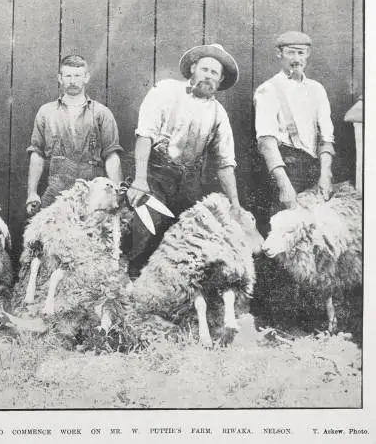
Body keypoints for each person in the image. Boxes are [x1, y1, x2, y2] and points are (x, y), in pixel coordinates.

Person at [125, 43, 242, 275]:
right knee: (146, 226)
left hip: (188, 182)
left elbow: (225, 163)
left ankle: (164, 291)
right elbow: (145, 135)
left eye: (214, 73)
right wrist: (140, 180)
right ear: (192, 69)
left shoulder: (218, 113)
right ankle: (126, 279)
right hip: (153, 172)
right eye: (204, 69)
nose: (208, 76)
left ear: (219, 81)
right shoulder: (165, 91)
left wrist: (235, 204)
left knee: (186, 235)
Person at [253, 31, 335, 231]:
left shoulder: (317, 89)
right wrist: (284, 185)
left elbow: (326, 137)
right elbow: (266, 142)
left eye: (301, 53)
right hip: (285, 169)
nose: (296, 59)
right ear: (279, 54)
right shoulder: (268, 89)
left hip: (314, 169)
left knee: (314, 233)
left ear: (308, 55)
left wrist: (325, 174)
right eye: (290, 53)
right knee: (283, 235)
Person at [26, 54, 123, 214]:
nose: (72, 81)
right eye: (68, 75)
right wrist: (32, 193)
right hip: (56, 195)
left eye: (77, 75)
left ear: (86, 77)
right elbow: (37, 155)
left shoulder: (102, 113)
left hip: (93, 198)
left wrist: (117, 193)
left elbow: (112, 156)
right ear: (60, 78)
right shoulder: (46, 112)